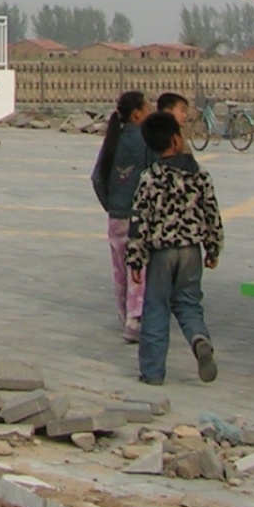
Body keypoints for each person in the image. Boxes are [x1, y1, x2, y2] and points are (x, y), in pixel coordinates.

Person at [126, 108, 222, 386]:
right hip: (191, 250)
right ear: (176, 141)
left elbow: (138, 220)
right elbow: (212, 215)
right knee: (189, 303)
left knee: (156, 308)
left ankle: (153, 372)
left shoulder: (150, 177)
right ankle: (198, 338)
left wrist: (135, 259)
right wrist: (213, 249)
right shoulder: (200, 175)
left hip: (162, 251)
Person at [91, 90, 149, 340]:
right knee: (139, 268)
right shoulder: (145, 140)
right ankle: (135, 321)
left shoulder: (112, 140)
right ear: (137, 113)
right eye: (147, 108)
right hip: (139, 216)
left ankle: (123, 313)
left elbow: (97, 177)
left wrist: (111, 204)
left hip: (116, 215)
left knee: (120, 269)